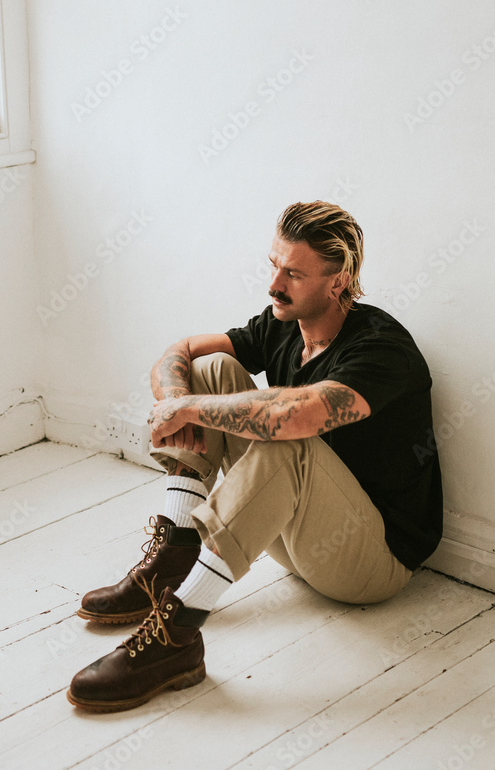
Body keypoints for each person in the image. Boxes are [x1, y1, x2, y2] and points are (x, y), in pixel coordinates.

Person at [66, 201, 443, 713]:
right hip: (299, 532)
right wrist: (182, 402)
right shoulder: (284, 323)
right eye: (273, 265)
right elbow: (179, 353)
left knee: (286, 437)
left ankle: (178, 635)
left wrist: (188, 409)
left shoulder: (382, 349)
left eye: (293, 273)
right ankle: (176, 554)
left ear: (339, 281)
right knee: (216, 369)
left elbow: (298, 417)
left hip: (370, 561)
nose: (274, 284)